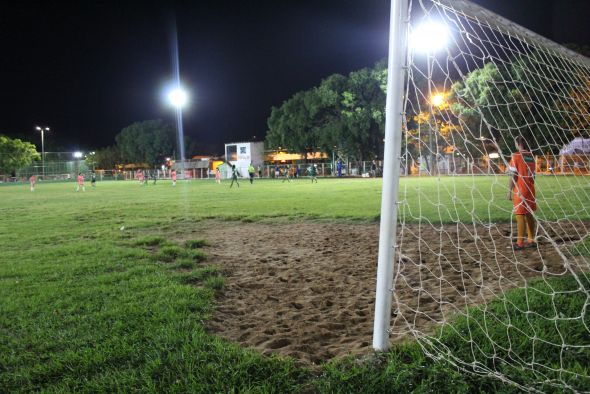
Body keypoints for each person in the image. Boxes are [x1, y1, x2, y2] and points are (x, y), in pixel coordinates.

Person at [507, 135, 537, 250]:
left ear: (518, 144)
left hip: (521, 190)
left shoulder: (516, 156)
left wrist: (509, 191)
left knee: (520, 215)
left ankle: (520, 243)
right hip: (531, 189)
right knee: (529, 214)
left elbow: (513, 175)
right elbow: (533, 177)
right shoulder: (531, 156)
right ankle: (531, 240)